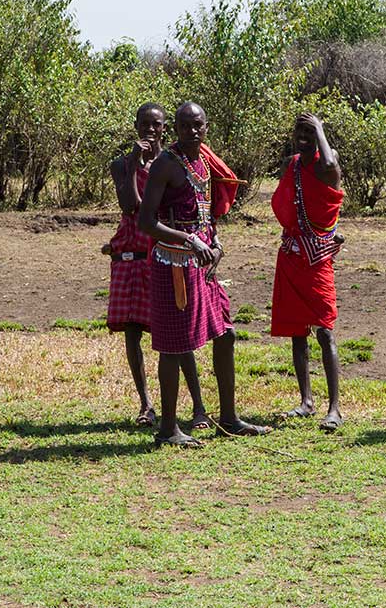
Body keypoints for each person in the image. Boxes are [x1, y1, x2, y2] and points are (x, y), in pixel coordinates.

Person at [138, 101, 271, 447]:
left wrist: (215, 241)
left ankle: (228, 417)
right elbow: (146, 222)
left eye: (198, 125)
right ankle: (168, 428)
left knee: (225, 334)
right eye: (185, 126)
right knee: (173, 345)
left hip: (203, 264)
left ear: (206, 127)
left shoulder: (204, 163)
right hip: (173, 265)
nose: (192, 132)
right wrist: (190, 241)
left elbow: (204, 213)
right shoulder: (166, 164)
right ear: (176, 129)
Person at [105, 103, 210, 430]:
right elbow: (130, 205)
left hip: (167, 252)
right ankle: (147, 404)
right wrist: (135, 164)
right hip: (133, 251)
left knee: (176, 334)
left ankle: (197, 406)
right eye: (145, 124)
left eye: (157, 125)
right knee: (134, 331)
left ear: (167, 128)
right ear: (135, 125)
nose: (151, 130)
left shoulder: (176, 163)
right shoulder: (122, 165)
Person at [270, 113, 345, 431]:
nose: (302, 139)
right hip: (292, 255)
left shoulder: (327, 163)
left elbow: (330, 168)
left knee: (325, 330)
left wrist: (320, 131)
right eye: (299, 133)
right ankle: (306, 401)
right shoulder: (292, 165)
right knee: (297, 334)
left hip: (317, 261)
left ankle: (335, 408)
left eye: (309, 134)